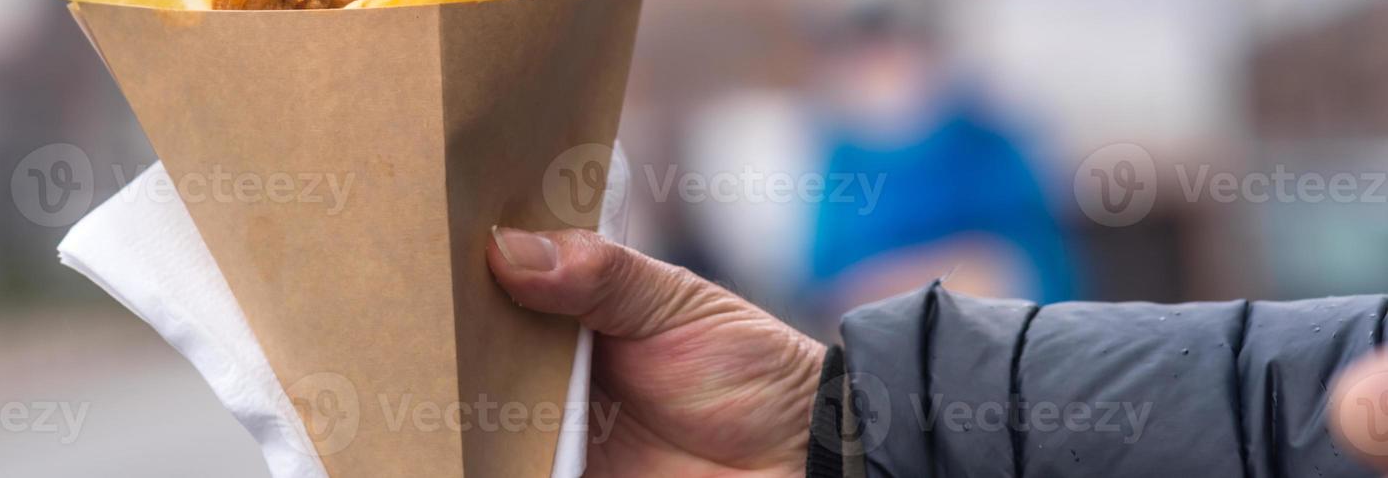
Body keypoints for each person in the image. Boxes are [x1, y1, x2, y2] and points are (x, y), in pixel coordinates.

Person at [489, 226, 1388, 477]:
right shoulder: (842, 156)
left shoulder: (985, 134)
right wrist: (834, 428)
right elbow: (1272, 399)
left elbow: (1018, 254)